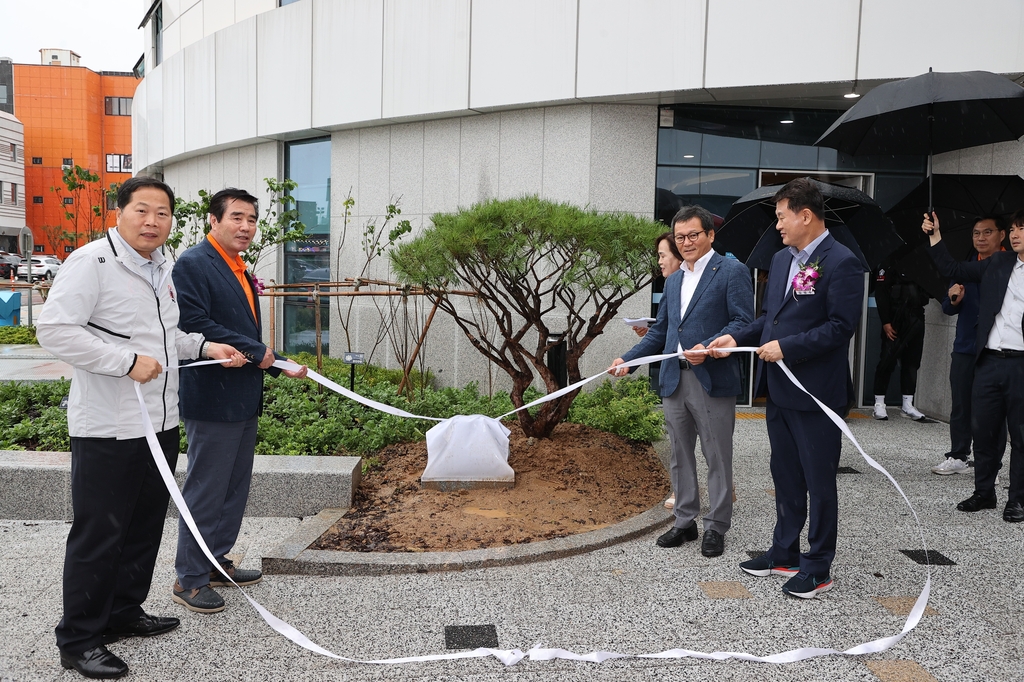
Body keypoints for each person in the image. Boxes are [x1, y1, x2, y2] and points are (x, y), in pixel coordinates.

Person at [36, 177, 245, 679]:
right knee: (100, 534)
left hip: (161, 420)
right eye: (142, 210)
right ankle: (80, 638)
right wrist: (125, 360)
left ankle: (124, 612)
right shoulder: (92, 262)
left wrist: (204, 347)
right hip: (109, 427)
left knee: (143, 526)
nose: (152, 221)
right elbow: (54, 329)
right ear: (120, 212)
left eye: (163, 214)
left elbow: (165, 333)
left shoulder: (161, 266)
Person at [708, 178, 863, 599]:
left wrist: (787, 347)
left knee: (819, 480)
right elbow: (769, 319)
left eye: (781, 216)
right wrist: (734, 338)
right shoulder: (780, 261)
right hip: (777, 390)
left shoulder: (842, 262)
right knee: (786, 475)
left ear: (805, 216)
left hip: (816, 393)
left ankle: (818, 566)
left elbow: (840, 328)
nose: (777, 225)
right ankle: (784, 552)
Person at [171, 188, 308, 613]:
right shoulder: (194, 264)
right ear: (213, 221)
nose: (246, 227)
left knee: (233, 487)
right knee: (207, 489)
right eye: (236, 218)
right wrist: (261, 353)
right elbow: (195, 323)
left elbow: (242, 330)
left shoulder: (238, 267)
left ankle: (215, 562)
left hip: (243, 395)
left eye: (251, 219)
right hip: (213, 397)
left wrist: (278, 362)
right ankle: (188, 579)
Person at [610, 205, 753, 558]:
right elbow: (662, 331)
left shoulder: (732, 271)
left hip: (712, 378)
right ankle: (684, 519)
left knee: (717, 455)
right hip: (674, 379)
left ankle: (717, 526)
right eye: (680, 237)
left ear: (710, 235)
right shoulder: (673, 280)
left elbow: (743, 321)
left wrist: (711, 346)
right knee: (678, 455)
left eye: (693, 235)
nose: (686, 242)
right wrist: (629, 359)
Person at [922, 210, 1024, 523]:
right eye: (1014, 228)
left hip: (1021, 364)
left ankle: (1017, 500)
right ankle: (984, 492)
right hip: (989, 360)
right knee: (983, 430)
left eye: (1023, 228)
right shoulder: (998, 263)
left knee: (1020, 436)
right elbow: (951, 267)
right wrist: (934, 235)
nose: (1017, 233)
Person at [931, 217, 1007, 475]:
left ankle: (991, 465)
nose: (981, 238)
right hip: (965, 346)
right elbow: (946, 306)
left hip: (997, 349)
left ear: (1002, 235)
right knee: (961, 405)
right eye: (976, 233)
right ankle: (958, 455)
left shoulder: (1011, 266)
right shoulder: (966, 266)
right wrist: (954, 299)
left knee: (994, 411)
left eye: (988, 232)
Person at [632, 231, 683, 509]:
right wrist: (648, 336)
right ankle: (681, 491)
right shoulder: (670, 286)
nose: (659, 262)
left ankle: (724, 487)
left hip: (704, 375)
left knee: (714, 446)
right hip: (674, 375)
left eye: (662, 255)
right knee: (678, 443)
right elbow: (666, 332)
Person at [871, 257, 931, 421]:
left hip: (916, 317)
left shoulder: (920, 261)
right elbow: (881, 292)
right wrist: (885, 321)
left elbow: (929, 289)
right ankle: (879, 404)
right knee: (887, 361)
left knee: (912, 362)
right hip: (895, 318)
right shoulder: (887, 263)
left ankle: (908, 404)